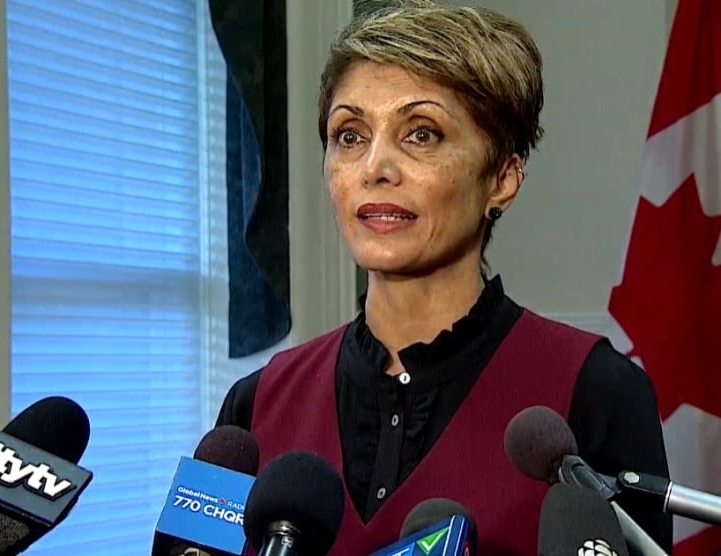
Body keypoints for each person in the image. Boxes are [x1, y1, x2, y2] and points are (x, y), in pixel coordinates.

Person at [216, 2, 673, 554]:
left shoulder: (599, 394)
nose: (375, 167)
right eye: (350, 135)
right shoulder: (252, 407)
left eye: (421, 134)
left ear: (502, 178)